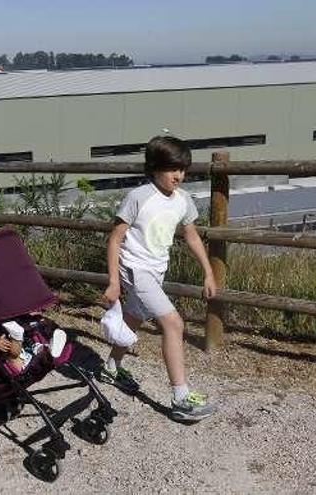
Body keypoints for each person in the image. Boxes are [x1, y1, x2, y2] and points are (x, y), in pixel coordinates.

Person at [99, 135, 218, 422]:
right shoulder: (138, 197)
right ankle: (181, 398)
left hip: (156, 271)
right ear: (154, 168)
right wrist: (114, 281)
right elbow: (115, 239)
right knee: (174, 323)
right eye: (172, 169)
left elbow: (191, 235)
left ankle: (110, 368)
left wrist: (208, 272)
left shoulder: (183, 200)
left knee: (134, 318)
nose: (179, 175)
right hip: (135, 270)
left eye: (182, 169)